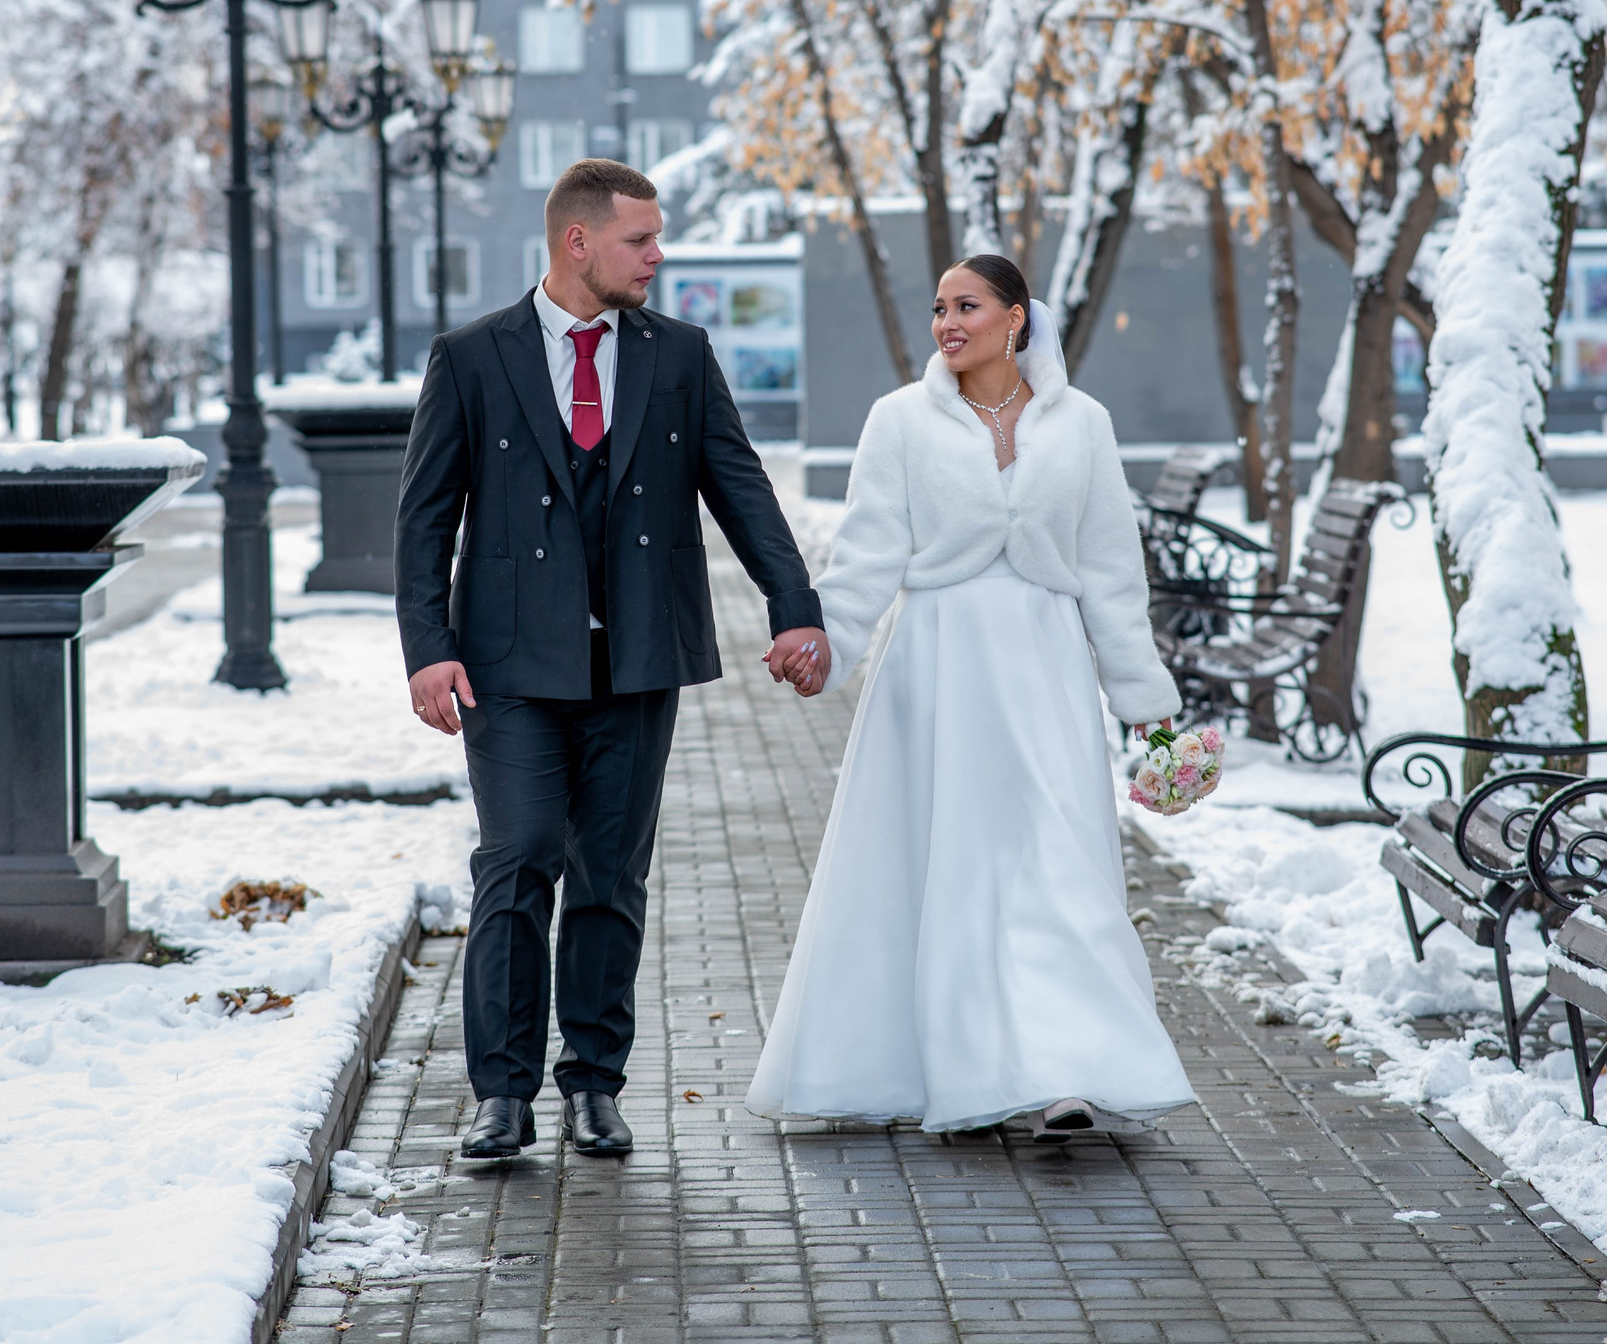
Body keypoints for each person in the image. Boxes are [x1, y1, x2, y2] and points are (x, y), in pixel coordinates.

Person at [396, 157, 829, 1161]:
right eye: (640, 239)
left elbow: (739, 482)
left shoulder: (678, 352)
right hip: (507, 663)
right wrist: (428, 648)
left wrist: (792, 606)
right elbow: (423, 518)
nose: (657, 255)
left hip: (637, 658)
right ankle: (500, 1093)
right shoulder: (471, 357)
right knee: (515, 859)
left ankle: (593, 1082)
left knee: (609, 878)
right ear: (577, 241)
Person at [745, 253, 1197, 1140]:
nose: (948, 323)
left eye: (968, 305)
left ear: (1016, 318)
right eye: (940, 308)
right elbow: (870, 550)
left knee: (1056, 864)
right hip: (937, 671)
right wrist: (825, 648)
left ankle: (1068, 1069)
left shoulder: (1084, 424)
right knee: (943, 871)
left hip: (1047, 671)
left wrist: (1144, 700)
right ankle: (943, 1064)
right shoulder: (899, 421)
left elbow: (1111, 570)